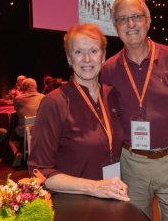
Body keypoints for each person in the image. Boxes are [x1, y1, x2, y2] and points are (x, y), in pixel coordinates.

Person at [100, 0, 168, 221]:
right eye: (122, 19)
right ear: (115, 26)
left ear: (148, 21)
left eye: (136, 17)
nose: (130, 24)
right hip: (132, 164)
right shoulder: (108, 69)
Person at [27, 23, 129, 201]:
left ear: (103, 56)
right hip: (73, 203)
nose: (87, 59)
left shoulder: (112, 95)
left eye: (93, 51)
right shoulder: (54, 103)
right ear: (68, 58)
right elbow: (40, 171)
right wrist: (94, 187)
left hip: (111, 195)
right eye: (78, 52)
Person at [10, 78, 45, 167]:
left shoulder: (18, 99)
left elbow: (16, 111)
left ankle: (17, 153)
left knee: (12, 138)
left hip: (26, 130)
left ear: (23, 87)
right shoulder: (43, 97)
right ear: (35, 86)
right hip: (42, 130)